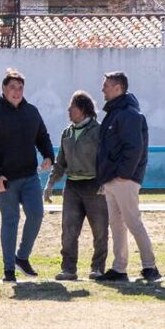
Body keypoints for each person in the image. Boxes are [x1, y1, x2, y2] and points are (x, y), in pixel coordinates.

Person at [0, 68, 54, 282]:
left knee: (37, 215)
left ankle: (22, 257)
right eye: (12, 88)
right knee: (11, 221)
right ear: (3, 89)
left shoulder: (32, 112)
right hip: (5, 180)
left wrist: (48, 156)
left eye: (20, 88)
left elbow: (42, 136)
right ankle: (9, 269)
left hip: (30, 176)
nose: (17, 92)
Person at [96, 71, 162, 284]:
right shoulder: (114, 114)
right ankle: (119, 268)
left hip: (123, 180)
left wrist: (124, 175)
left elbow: (134, 148)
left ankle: (150, 266)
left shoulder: (129, 115)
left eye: (106, 85)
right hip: (111, 179)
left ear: (118, 88)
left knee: (133, 222)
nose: (103, 89)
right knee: (116, 225)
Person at [44, 91, 108, 281]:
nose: (68, 110)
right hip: (72, 187)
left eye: (72, 106)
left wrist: (105, 181)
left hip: (94, 185)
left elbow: (106, 158)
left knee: (100, 229)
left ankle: (98, 268)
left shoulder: (99, 131)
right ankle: (68, 269)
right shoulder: (67, 132)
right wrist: (50, 184)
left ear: (83, 108)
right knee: (69, 230)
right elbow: (60, 162)